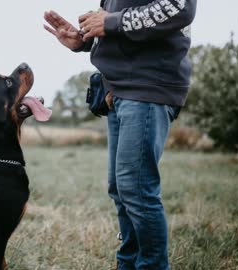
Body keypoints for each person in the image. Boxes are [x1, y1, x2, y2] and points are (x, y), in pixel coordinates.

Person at [44, 0, 196, 269]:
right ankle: (127, 264)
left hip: (148, 86)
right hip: (120, 89)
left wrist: (110, 22)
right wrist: (85, 39)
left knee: (136, 190)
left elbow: (178, 7)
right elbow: (124, 26)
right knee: (122, 189)